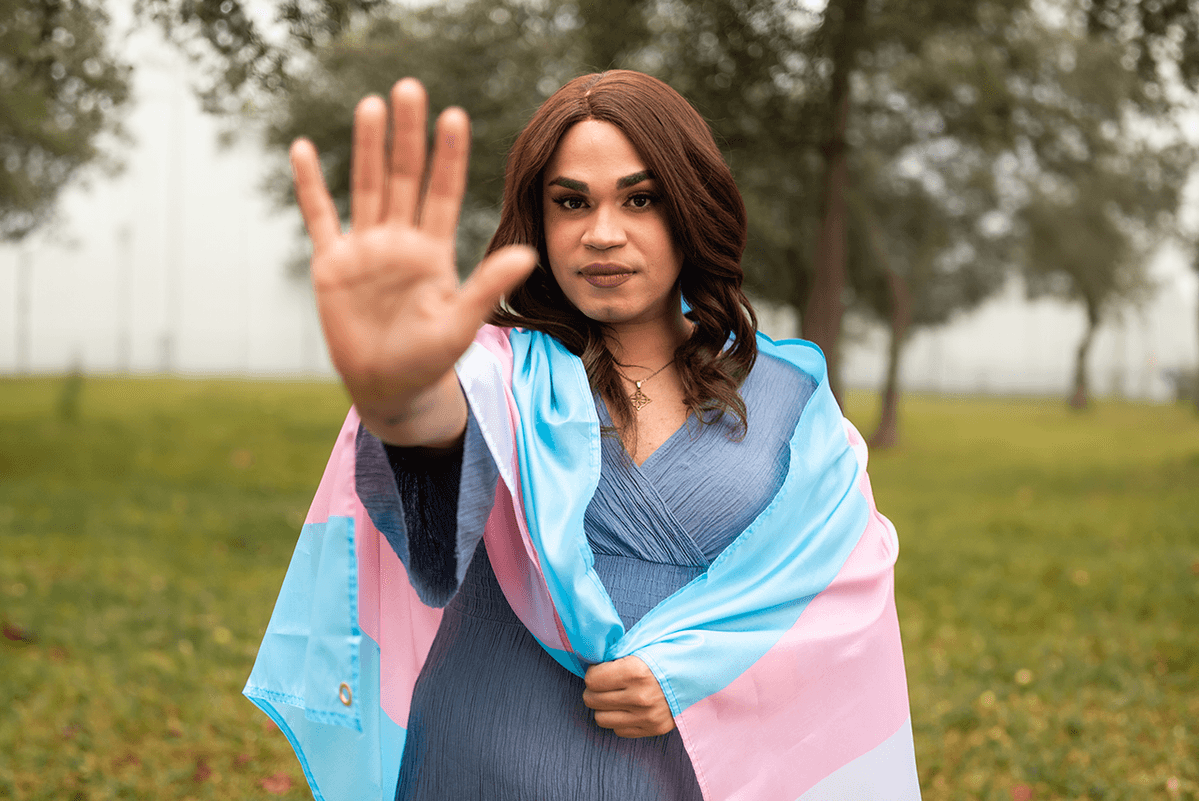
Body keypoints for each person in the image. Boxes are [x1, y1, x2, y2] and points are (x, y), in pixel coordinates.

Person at [244, 70, 921, 801]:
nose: (602, 233)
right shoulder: (496, 373)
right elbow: (433, 445)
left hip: (692, 775)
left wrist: (692, 674)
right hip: (480, 765)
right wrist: (400, 397)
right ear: (538, 221)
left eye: (640, 198)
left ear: (691, 207)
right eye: (571, 202)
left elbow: (840, 601)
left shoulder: (794, 403)